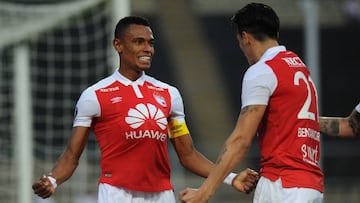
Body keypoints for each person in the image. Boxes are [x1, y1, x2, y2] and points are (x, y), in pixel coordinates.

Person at [31, 16, 259, 203]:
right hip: (116, 194)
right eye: (138, 42)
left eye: (150, 43)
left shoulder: (169, 94)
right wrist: (52, 180)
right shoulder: (95, 96)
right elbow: (72, 156)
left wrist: (230, 178)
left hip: (161, 196)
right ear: (118, 45)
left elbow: (188, 155)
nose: (147, 49)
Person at [179, 3, 324, 203]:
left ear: (245, 38)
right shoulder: (299, 67)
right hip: (311, 186)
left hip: (283, 185)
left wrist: (204, 192)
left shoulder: (263, 71)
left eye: (239, 41)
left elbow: (240, 140)